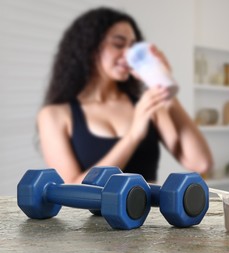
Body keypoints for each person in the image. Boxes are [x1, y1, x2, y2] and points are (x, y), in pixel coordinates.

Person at [37, 7, 213, 183]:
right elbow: (71, 188)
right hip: (92, 212)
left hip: (148, 211)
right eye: (119, 44)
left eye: (132, 47)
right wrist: (133, 136)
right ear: (89, 47)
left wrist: (162, 82)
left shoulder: (146, 104)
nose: (129, 55)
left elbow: (201, 163)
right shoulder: (54, 115)